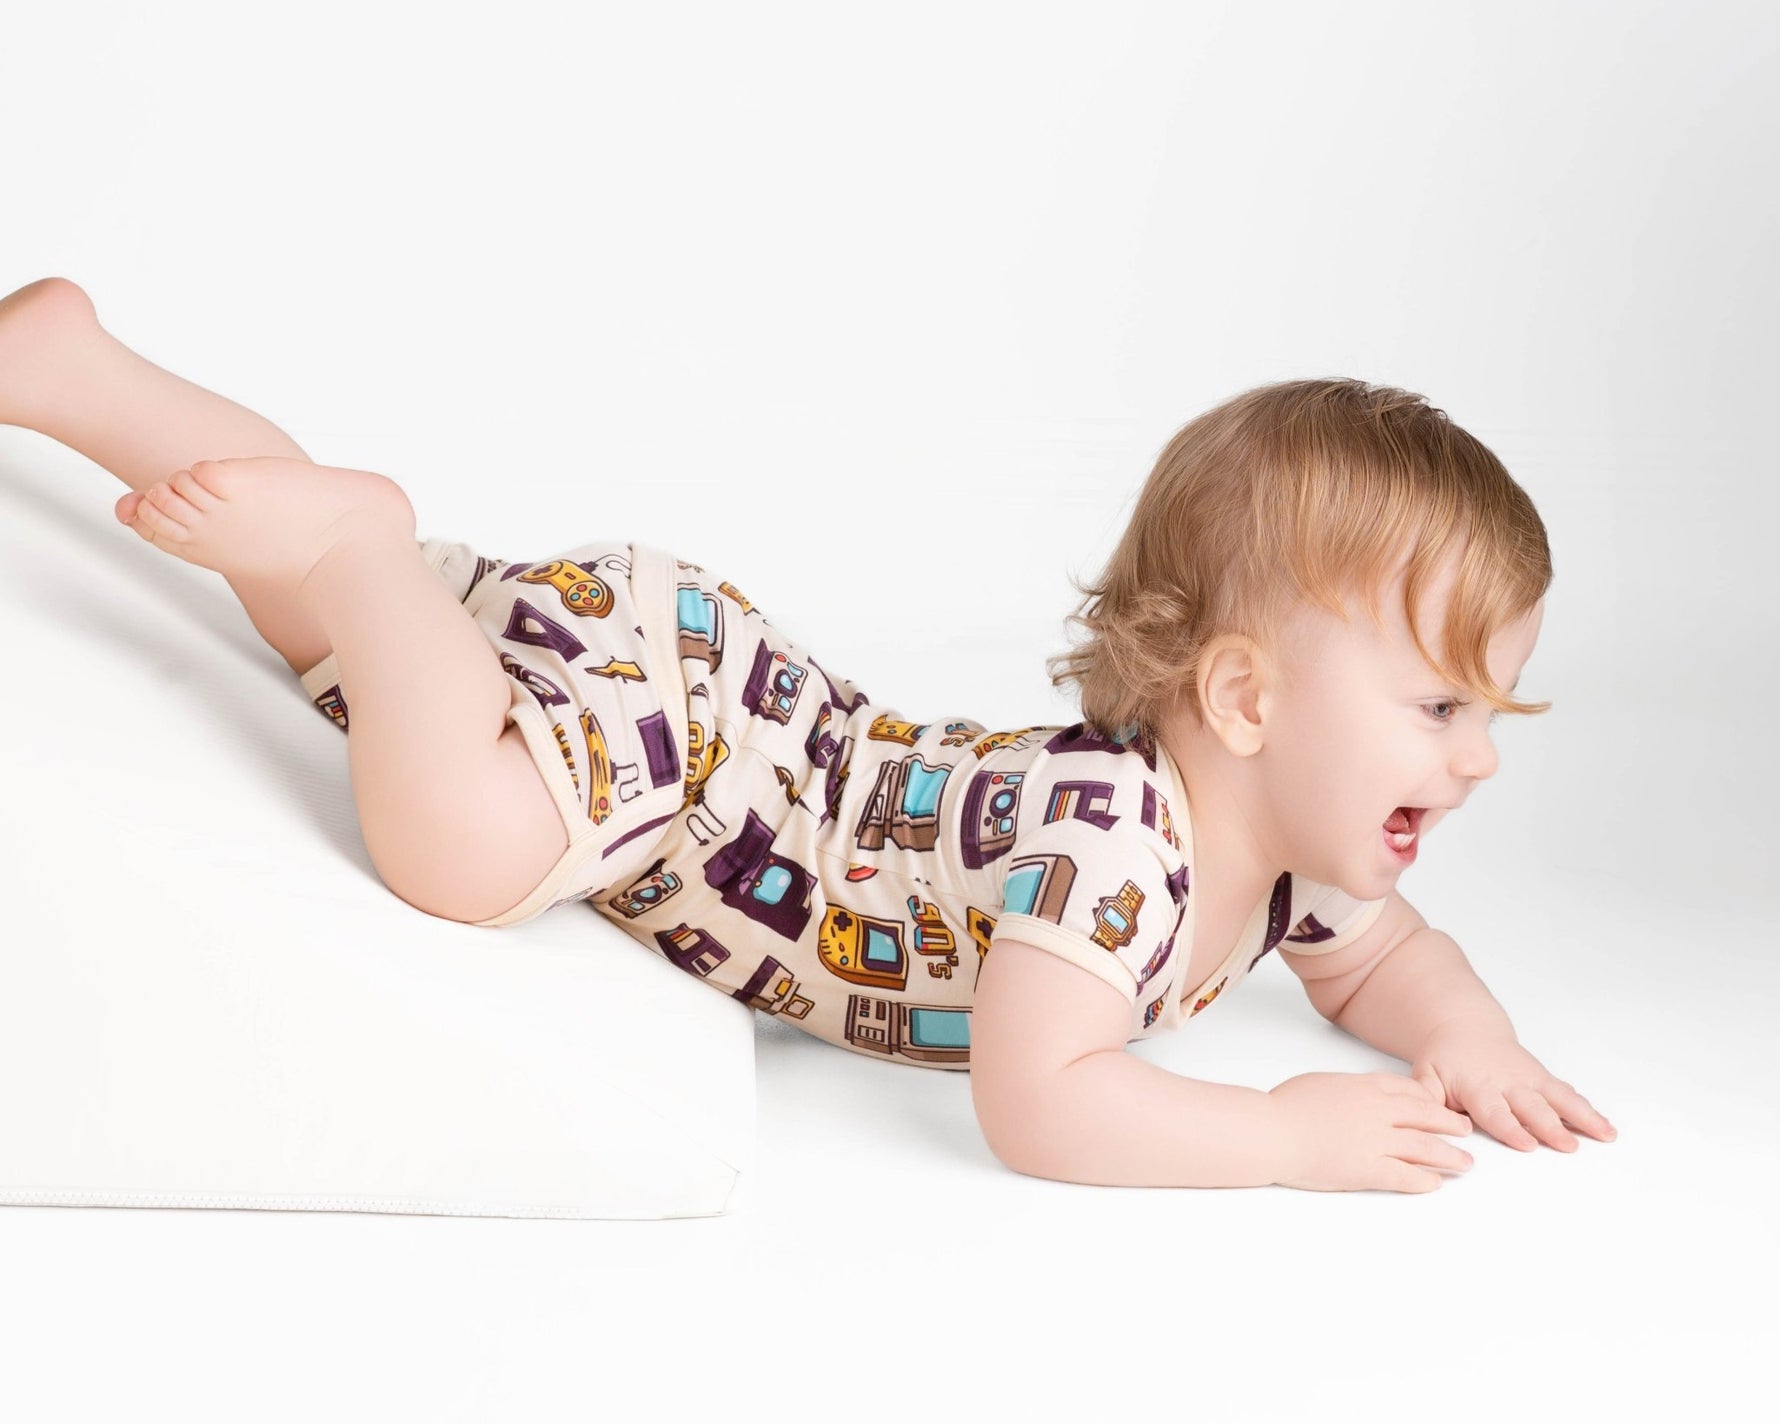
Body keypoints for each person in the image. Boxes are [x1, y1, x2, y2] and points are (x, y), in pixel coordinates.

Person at [0, 275, 1616, 1195]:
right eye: (1439, 708)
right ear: (1250, 702)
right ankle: (362, 556)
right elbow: (1044, 1100)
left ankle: (75, 370)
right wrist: (1278, 1138)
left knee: (336, 615)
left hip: (705, 674)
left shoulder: (1288, 857)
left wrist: (1465, 1040)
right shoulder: (1118, 852)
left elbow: (1388, 956)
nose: (1474, 761)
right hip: (696, 757)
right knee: (461, 847)